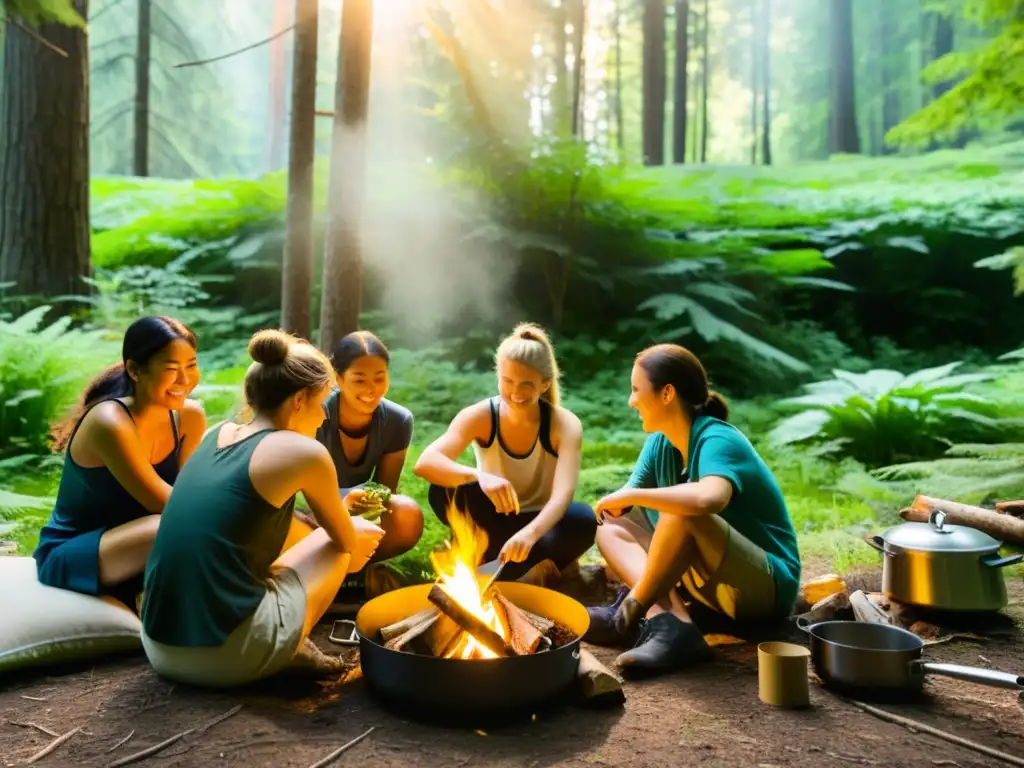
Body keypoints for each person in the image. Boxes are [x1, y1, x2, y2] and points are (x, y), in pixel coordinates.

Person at [140, 330, 385, 687]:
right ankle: (289, 648)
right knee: (344, 542)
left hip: (160, 647)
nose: (323, 419)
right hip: (225, 659)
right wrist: (354, 531)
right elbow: (348, 544)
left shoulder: (217, 434)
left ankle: (282, 642)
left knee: (296, 546)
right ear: (299, 400)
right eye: (322, 405)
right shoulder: (305, 452)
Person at [584, 343, 801, 675]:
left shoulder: (718, 440)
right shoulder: (661, 442)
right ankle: (672, 626)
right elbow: (624, 505)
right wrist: (626, 500)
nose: (631, 400)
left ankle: (627, 613)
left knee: (684, 510)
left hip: (764, 588)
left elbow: (707, 499)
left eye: (636, 390)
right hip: (711, 586)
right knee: (610, 525)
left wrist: (637, 496)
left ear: (667, 393)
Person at [34, 316, 207, 610]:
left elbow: (190, 492)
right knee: (167, 525)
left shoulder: (189, 417)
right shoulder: (109, 422)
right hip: (78, 551)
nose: (185, 380)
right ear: (135, 371)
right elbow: (169, 506)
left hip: (146, 546)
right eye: (171, 369)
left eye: (191, 366)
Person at [414, 323, 596, 583]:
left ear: (544, 385)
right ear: (498, 376)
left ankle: (511, 567)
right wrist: (479, 476)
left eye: (526, 385)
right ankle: (524, 569)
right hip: (493, 521)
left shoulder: (564, 424)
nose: (516, 393)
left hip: (540, 525)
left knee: (583, 520)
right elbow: (426, 463)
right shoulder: (480, 416)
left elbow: (562, 495)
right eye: (508, 381)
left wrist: (530, 535)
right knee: (444, 490)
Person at [295, 331, 423, 562]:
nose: (371, 389)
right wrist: (333, 516)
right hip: (312, 507)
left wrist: (359, 514)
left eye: (379, 377)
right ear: (339, 379)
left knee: (406, 513)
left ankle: (358, 566)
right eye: (359, 379)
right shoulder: (316, 414)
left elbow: (385, 489)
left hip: (359, 505)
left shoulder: (398, 420)